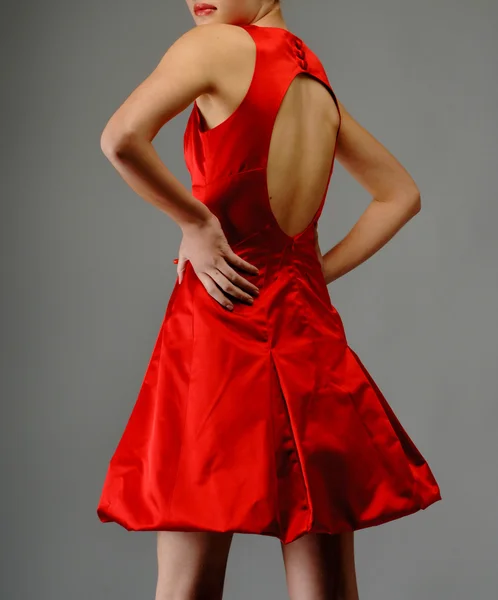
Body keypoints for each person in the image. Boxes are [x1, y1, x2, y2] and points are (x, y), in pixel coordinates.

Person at [96, 1, 442, 599]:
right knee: (326, 590)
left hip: (218, 332)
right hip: (307, 336)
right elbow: (400, 194)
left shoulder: (212, 48)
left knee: (186, 588)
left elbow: (120, 138)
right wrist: (310, 272)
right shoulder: (313, 76)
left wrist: (197, 223)